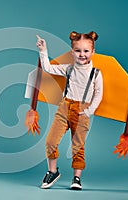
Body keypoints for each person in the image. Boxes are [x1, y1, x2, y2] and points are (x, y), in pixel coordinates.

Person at [36, 31, 103, 190]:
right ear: (72, 52)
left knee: (78, 146)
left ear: (93, 52)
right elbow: (47, 67)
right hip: (65, 107)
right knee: (51, 141)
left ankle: (76, 178)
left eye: (86, 51)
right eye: (78, 50)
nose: (82, 54)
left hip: (82, 110)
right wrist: (43, 50)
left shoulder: (96, 73)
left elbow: (99, 94)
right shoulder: (69, 69)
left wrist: (89, 111)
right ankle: (52, 171)